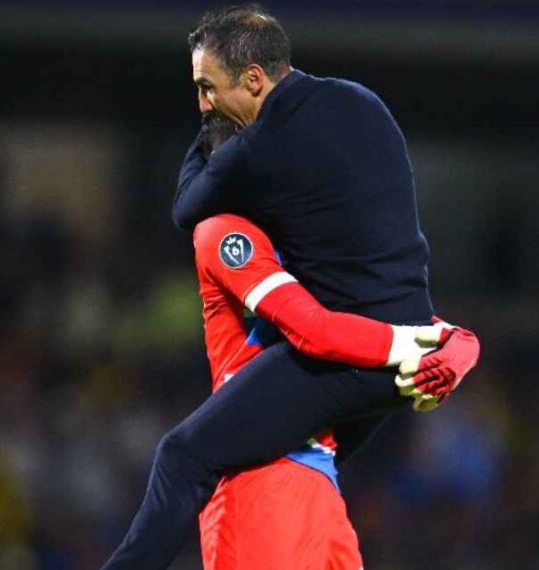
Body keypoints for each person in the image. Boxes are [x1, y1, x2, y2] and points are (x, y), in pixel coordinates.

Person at [103, 5, 480, 568]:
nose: (203, 102)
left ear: (254, 79)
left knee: (183, 455)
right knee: (301, 455)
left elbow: (188, 209)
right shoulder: (364, 102)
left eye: (207, 88)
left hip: (358, 353)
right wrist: (450, 341)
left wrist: (397, 345)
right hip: (408, 354)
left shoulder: (252, 167)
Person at [188, 113, 477, 569]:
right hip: (259, 477)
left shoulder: (307, 242)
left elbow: (383, 317)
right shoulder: (227, 234)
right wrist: (422, 344)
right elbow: (317, 330)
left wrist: (459, 344)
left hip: (316, 472)